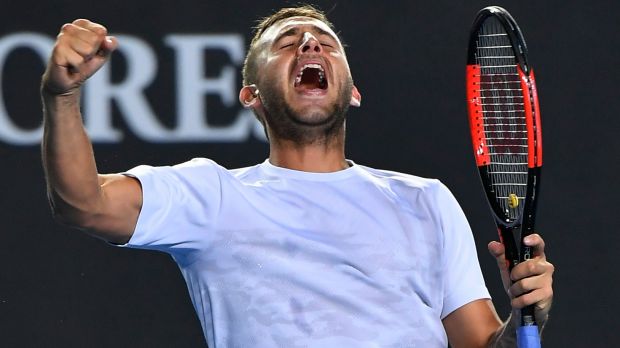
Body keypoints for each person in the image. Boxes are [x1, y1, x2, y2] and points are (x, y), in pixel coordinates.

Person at [40, 5, 553, 348]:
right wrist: (61, 97)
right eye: (287, 44)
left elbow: (480, 344)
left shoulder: (426, 201)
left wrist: (527, 314)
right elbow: (83, 203)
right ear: (251, 96)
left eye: (326, 44)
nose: (309, 45)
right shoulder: (212, 195)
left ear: (352, 91)